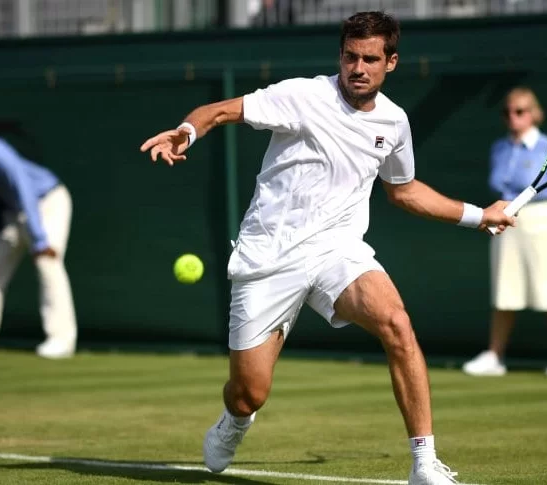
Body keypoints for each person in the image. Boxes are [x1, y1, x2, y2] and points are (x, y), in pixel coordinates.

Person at [141, 12, 514, 485]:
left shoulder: (394, 122)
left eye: (370, 59)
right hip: (268, 257)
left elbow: (404, 191)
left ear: (390, 62)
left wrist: (479, 215)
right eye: (351, 56)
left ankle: (424, 463)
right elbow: (218, 111)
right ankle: (235, 420)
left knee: (397, 323)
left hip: (337, 249)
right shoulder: (301, 95)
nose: (358, 67)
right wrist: (186, 132)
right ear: (340, 55)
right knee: (249, 393)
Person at [462, 87, 547, 380]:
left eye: (520, 111)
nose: (513, 117)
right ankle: (495, 356)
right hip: (506, 220)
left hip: (544, 221)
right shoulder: (499, 148)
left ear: (534, 114)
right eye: (507, 112)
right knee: (505, 291)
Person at [0, 117, 77, 359]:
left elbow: (24, 188)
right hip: (14, 212)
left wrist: (39, 239)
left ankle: (61, 339)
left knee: (48, 263)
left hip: (47, 202)